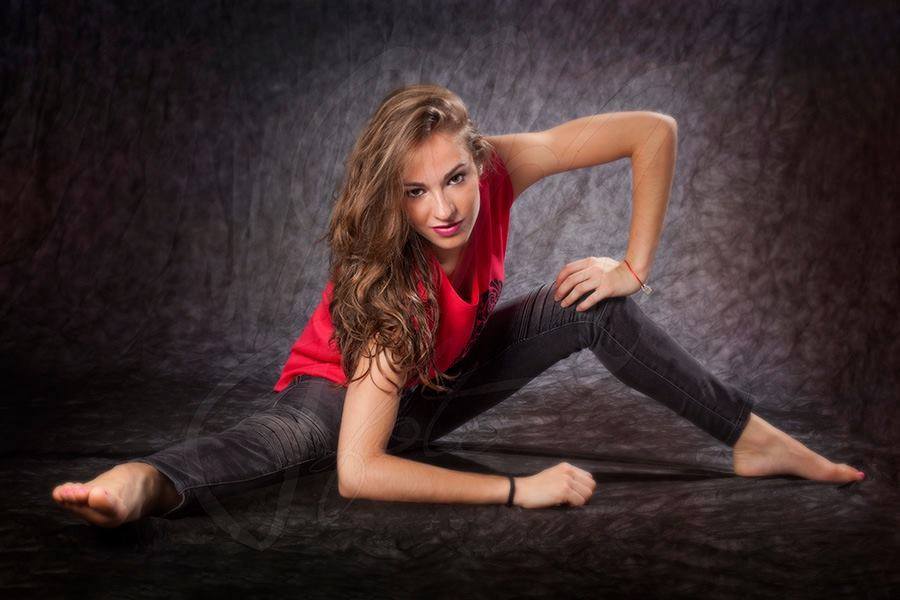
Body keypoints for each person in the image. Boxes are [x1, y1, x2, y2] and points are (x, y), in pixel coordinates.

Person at [52, 84, 865, 527]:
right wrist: (516, 489)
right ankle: (146, 480)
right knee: (291, 442)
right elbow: (359, 473)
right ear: (391, 198)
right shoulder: (393, 291)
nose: (443, 208)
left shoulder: (500, 165)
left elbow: (653, 130)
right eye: (415, 192)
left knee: (595, 305)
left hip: (440, 382)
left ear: (478, 161)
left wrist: (633, 267)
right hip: (340, 398)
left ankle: (754, 441)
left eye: (455, 179)